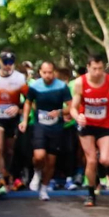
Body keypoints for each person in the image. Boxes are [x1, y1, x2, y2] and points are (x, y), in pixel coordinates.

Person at [73, 54, 109, 205]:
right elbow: (73, 107)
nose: (97, 72)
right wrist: (77, 117)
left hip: (105, 124)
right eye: (94, 69)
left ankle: (102, 171)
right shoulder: (80, 82)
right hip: (87, 124)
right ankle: (90, 193)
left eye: (100, 68)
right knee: (91, 160)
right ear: (88, 68)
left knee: (106, 159)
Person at [25, 61, 72, 201]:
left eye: (50, 72)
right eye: (45, 72)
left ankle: (44, 189)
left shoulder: (62, 87)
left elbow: (71, 106)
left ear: (54, 72)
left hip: (56, 127)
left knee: (51, 162)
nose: (48, 75)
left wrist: (59, 112)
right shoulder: (34, 86)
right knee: (39, 156)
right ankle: (37, 171)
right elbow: (28, 102)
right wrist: (25, 120)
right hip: (40, 125)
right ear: (40, 72)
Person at [0, 52, 27, 194]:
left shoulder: (20, 78)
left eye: (11, 62)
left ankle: (8, 174)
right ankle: (0, 178)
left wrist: (19, 107)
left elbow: (29, 98)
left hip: (12, 119)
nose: (8, 65)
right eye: (5, 62)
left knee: (9, 150)